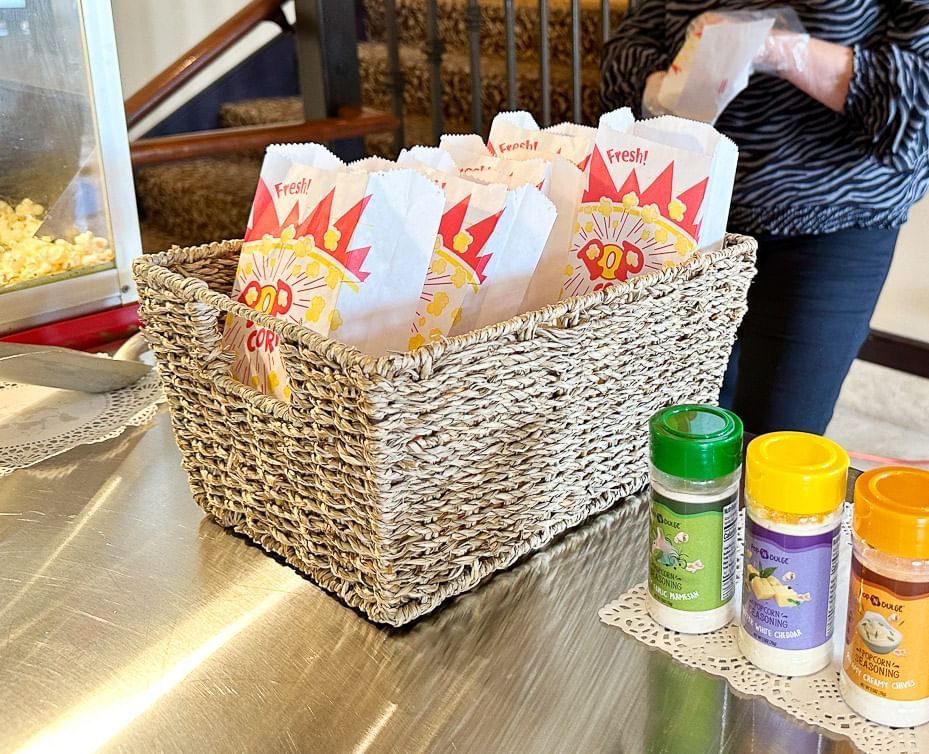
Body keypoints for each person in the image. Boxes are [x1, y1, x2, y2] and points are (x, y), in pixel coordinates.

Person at [602, 1, 929, 435]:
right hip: (685, 210)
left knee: (773, 446)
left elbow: (919, 101)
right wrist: (668, 87)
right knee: (668, 435)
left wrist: (773, 49)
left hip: (830, 217)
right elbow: (625, 55)